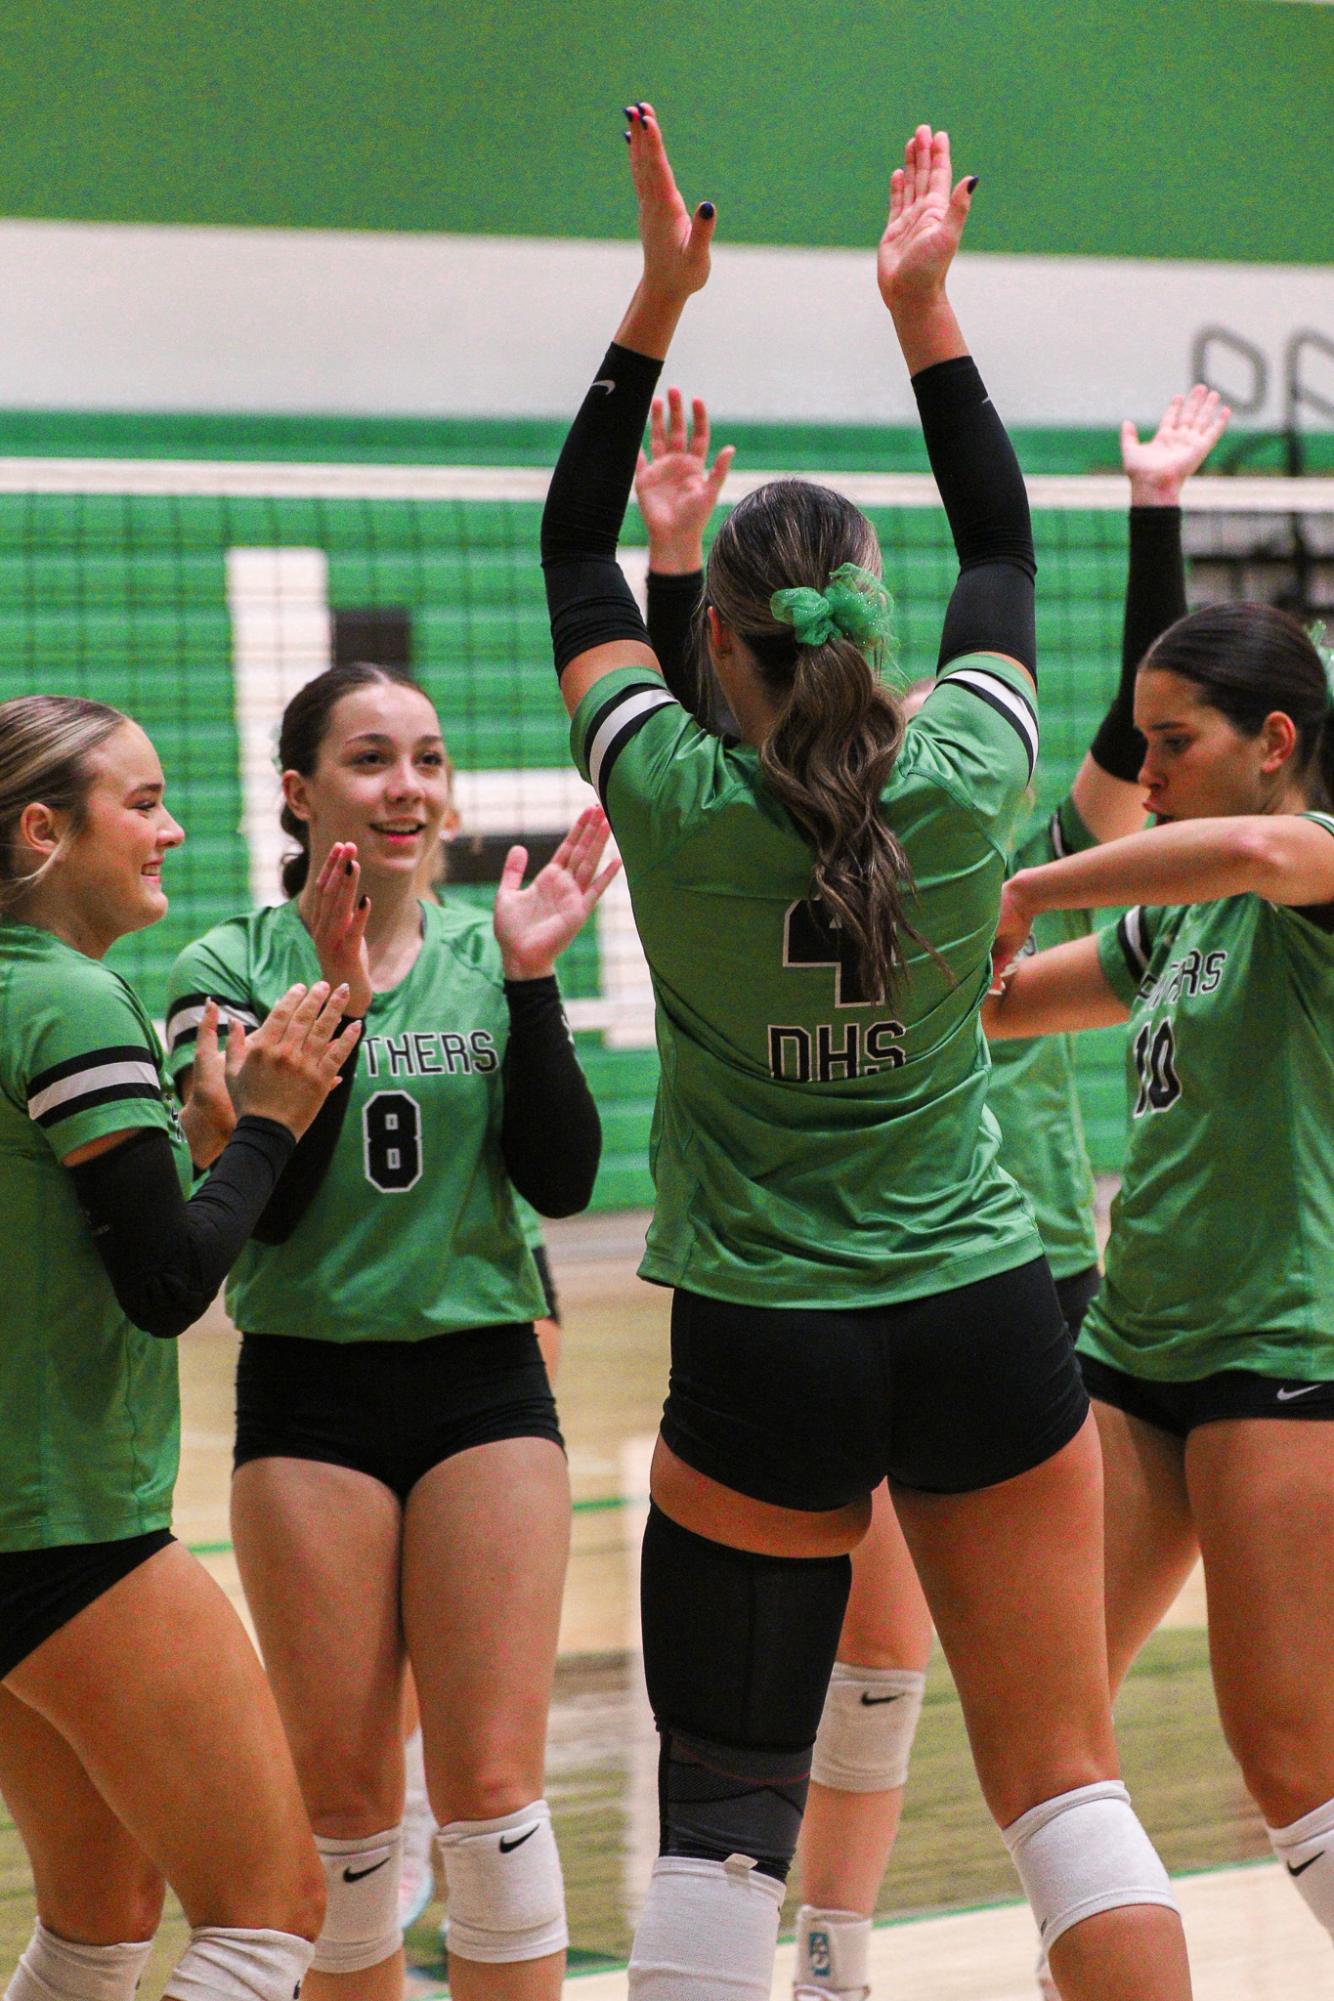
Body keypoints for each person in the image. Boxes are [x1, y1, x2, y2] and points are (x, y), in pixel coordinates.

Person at [540, 106, 1191, 2001]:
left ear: (717, 651)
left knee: (720, 1830)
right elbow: (1001, 536)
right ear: (872, 629)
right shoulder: (981, 766)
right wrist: (921, 305)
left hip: (763, 1333)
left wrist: (660, 297)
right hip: (987, 1305)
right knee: (1068, 1786)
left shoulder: (662, 791)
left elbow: (578, 548)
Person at [634, 380, 1228, 1998]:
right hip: (972, 1290)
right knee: (957, 1705)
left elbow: (1123, 738)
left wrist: (1154, 515)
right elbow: (1037, 646)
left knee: (883, 1695)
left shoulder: (1006, 844)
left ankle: (817, 1933)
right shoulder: (969, 805)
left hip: (938, 1272)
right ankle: (835, 1936)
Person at [165, 660, 614, 2001]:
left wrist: (533, 981)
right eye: (370, 759)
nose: (407, 785)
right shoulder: (227, 965)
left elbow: (565, 1179)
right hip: (310, 1401)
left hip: (484, 1385)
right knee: (351, 1809)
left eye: (426, 756)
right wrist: (335, 986)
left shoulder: (492, 948)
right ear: (300, 794)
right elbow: (274, 1213)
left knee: (491, 1793)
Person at [986, 601, 1334, 1976]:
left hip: (1279, 1353)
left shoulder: (1303, 865)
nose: (1145, 773)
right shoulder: (1177, 921)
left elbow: (1255, 847)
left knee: (1288, 1753)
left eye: (1169, 742)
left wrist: (1036, 880)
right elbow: (1005, 1008)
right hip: (1133, 1357)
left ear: (1273, 743)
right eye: (1137, 744)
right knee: (1045, 1723)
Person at [0, 695, 358, 2001]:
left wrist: (206, 1155)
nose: (172, 827)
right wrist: (268, 1127)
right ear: (44, 828)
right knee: (268, 1914)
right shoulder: (70, 1004)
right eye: (141, 803)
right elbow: (162, 1286)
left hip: (21, 1533)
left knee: (99, 1912)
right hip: (70, 1530)